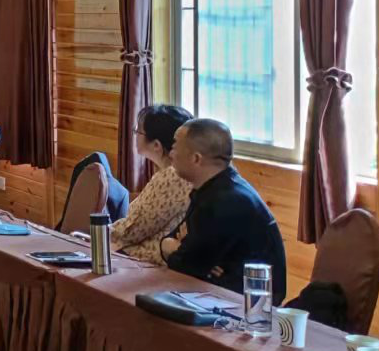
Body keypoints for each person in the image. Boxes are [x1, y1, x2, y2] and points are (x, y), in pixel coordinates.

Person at [162, 118, 287, 300]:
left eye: (175, 147)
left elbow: (185, 265)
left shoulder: (226, 200)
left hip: (248, 303)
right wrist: (175, 247)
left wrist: (178, 250)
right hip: (217, 289)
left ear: (196, 158)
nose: (171, 154)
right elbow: (170, 242)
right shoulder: (213, 187)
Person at [102, 104, 194, 262]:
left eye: (138, 131)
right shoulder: (176, 172)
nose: (135, 135)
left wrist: (97, 234)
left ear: (156, 145)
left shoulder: (172, 177)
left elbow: (133, 229)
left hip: (151, 261)